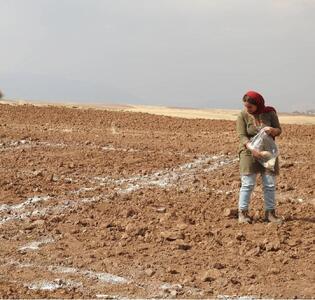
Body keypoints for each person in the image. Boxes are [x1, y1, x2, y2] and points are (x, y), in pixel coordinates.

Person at [236, 90, 282, 224]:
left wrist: (272, 130)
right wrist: (253, 149)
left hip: (267, 151)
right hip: (248, 151)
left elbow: (279, 130)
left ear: (258, 104)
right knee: (248, 183)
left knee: (269, 184)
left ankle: (270, 214)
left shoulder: (270, 113)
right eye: (245, 106)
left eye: (250, 106)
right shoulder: (242, 115)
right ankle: (242, 213)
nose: (247, 109)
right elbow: (242, 136)